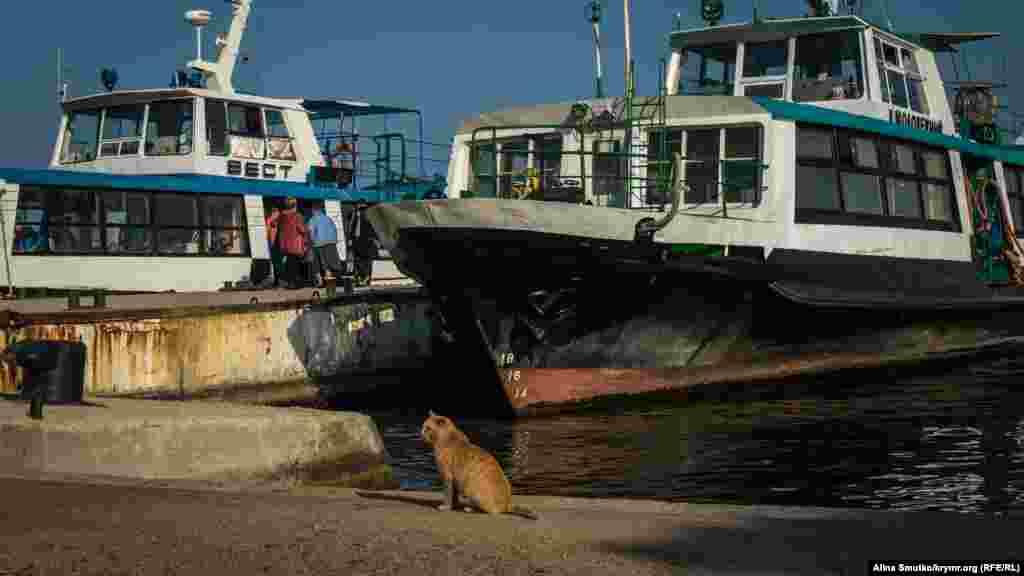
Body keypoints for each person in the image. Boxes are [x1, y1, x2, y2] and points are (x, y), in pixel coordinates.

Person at [305, 202, 347, 286]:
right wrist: (334, 241)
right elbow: (334, 229)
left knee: (322, 264)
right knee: (329, 264)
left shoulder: (313, 219)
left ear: (313, 210)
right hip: (331, 243)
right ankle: (331, 282)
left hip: (319, 243)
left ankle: (320, 282)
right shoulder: (327, 218)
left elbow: (310, 232)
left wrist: (311, 243)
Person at [275, 197, 307, 288]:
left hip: (284, 244)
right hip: (295, 244)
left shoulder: (281, 216)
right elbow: (302, 229)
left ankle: (288, 282)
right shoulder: (297, 216)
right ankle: (293, 283)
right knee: (295, 264)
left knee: (289, 263)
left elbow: (275, 225)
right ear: (295, 205)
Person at [264, 205, 283, 287]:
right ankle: (277, 280)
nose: (276, 214)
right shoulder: (272, 220)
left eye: (276, 212)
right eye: (275, 212)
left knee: (277, 263)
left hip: (277, 244)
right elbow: (267, 232)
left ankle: (278, 280)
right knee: (277, 262)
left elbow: (267, 232)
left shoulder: (278, 220)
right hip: (276, 244)